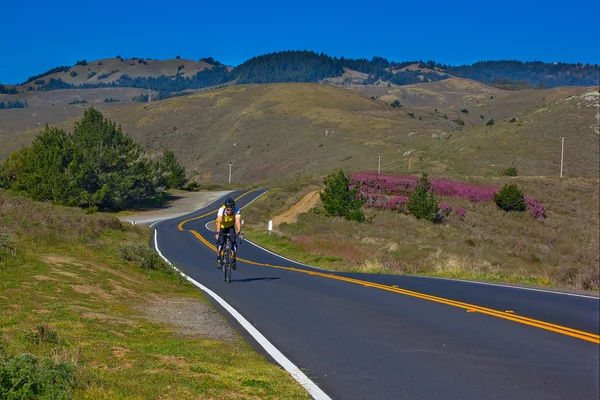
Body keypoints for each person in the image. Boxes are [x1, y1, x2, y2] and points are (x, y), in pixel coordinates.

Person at [215, 197, 243, 270]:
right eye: (228, 209)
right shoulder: (221, 210)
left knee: (234, 244)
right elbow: (219, 221)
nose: (229, 211)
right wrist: (218, 232)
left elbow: (237, 222)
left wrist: (239, 232)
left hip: (230, 227)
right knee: (221, 243)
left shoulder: (237, 210)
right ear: (225, 208)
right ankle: (218, 259)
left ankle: (233, 261)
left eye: (231, 210)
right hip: (222, 227)